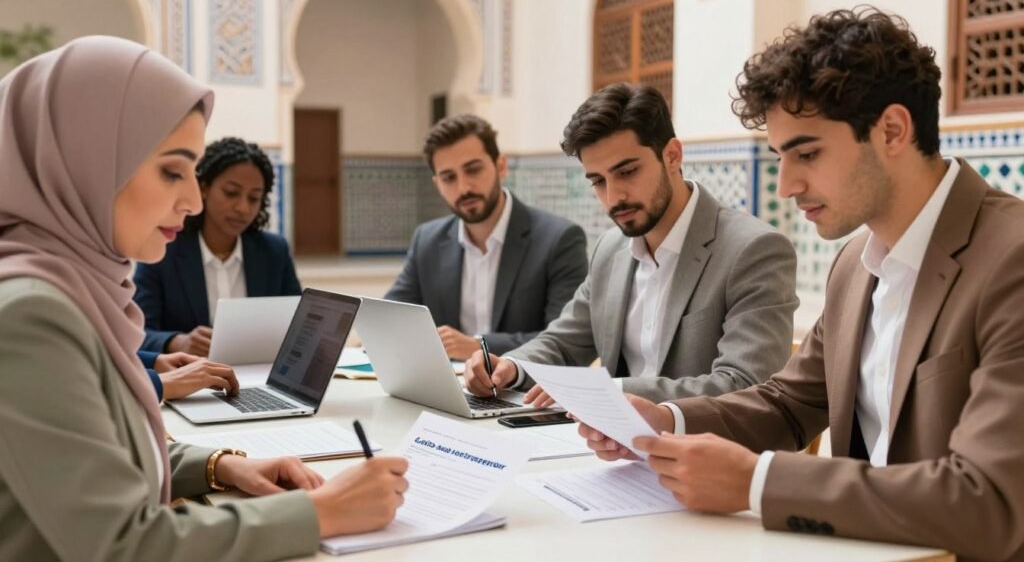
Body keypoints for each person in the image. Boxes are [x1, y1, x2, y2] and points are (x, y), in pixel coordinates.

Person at [579, 9, 1024, 561]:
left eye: (807, 154)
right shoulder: (856, 261)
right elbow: (789, 404)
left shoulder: (1012, 260)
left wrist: (758, 484)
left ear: (891, 130)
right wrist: (665, 419)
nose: (786, 186)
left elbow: (990, 502)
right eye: (780, 158)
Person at [0, 36, 407, 561]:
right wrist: (325, 510)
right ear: (84, 163)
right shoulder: (31, 314)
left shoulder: (76, 286)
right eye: (172, 171)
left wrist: (220, 465)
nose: (193, 201)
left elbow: (97, 446)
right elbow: (124, 544)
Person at [465, 83, 798, 404]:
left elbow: (746, 386)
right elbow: (564, 343)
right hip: (610, 448)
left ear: (672, 155)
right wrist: (512, 366)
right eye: (598, 181)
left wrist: (609, 392)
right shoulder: (610, 250)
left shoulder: (754, 250)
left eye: (627, 172)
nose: (614, 197)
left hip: (704, 453)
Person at [385, 114, 589, 359]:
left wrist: (478, 346)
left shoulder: (559, 239)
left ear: (500, 166)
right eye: (449, 177)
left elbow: (568, 342)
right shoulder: (427, 240)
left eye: (473, 170)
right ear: (437, 183)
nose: (463, 188)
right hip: (445, 390)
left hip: (524, 391)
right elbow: (389, 319)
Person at [133, 136, 301, 355]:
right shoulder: (164, 249)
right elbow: (137, 332)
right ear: (203, 188)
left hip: (258, 377)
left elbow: (300, 328)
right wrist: (177, 342)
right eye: (231, 193)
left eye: (254, 198)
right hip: (190, 380)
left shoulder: (274, 252)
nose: (243, 207)